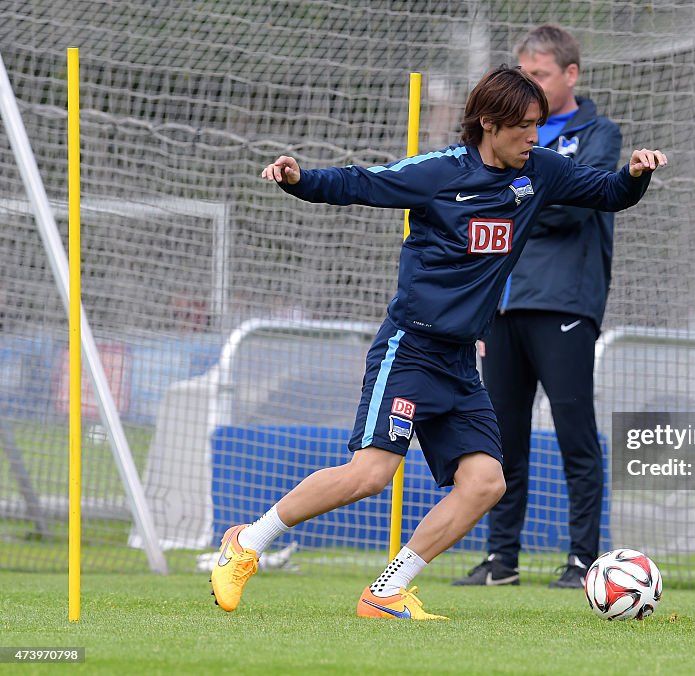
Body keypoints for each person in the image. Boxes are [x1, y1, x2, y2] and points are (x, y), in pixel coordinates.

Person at [210, 64, 667, 620]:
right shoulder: (439, 172)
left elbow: (610, 192)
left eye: (538, 126)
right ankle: (247, 543)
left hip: (460, 362)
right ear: (487, 124)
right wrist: (300, 180)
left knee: (484, 483)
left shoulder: (541, 171)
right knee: (370, 475)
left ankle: (385, 593)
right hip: (410, 350)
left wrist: (636, 173)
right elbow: (363, 182)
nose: (534, 137)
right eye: (524, 126)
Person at [452, 25, 621, 589]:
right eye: (526, 76)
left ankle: (583, 561)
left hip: (565, 304)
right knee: (500, 440)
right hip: (502, 305)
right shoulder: (506, 134)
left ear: (571, 75)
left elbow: (576, 205)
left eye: (543, 75)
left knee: (576, 433)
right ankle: (502, 562)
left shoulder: (598, 133)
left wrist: (514, 200)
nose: (534, 87)